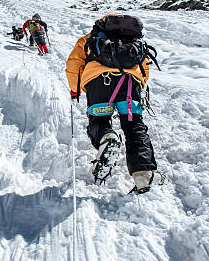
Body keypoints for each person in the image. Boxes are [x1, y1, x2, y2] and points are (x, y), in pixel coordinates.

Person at [65, 15, 160, 193]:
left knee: (99, 120)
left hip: (99, 82)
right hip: (130, 82)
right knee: (134, 125)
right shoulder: (134, 40)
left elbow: (74, 63)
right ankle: (143, 174)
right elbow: (144, 67)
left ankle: (106, 138)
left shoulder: (90, 38)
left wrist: (75, 89)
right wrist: (139, 84)